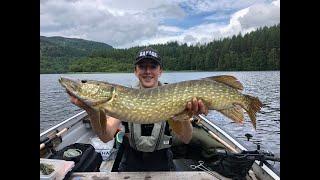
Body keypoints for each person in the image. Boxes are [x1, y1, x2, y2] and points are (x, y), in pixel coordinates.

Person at [69, 47, 208, 171]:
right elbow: (105, 137)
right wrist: (91, 111)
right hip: (131, 162)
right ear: (135, 71)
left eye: (153, 66)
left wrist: (184, 115)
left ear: (160, 71)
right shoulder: (121, 97)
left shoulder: (174, 95)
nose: (147, 71)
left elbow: (186, 138)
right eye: (142, 66)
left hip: (163, 162)